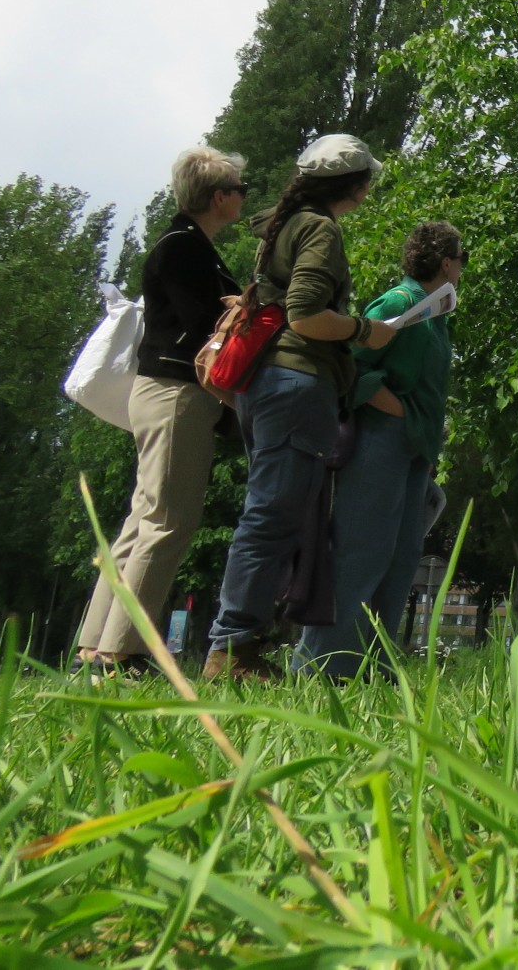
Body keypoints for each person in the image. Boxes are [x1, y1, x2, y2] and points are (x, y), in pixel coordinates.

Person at [205, 135, 393, 681]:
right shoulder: (320, 228)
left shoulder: (285, 224)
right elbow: (307, 315)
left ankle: (238, 644)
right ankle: (230, 648)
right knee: (270, 517)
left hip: (265, 383)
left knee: (270, 516)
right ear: (356, 187)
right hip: (296, 381)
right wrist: (366, 330)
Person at [74, 146, 247, 676]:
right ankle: (123, 650)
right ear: (218, 197)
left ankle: (96, 645)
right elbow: (205, 325)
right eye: (239, 189)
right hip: (177, 394)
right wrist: (246, 307)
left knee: (142, 520)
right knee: (168, 522)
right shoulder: (184, 250)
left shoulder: (184, 245)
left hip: (157, 392)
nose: (243, 197)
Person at [293, 221, 463, 680]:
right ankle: (323, 669)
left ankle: (377, 669)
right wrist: (400, 412)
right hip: (378, 443)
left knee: (401, 557)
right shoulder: (399, 302)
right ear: (446, 262)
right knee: (360, 552)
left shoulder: (434, 313)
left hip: (414, 450)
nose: (462, 270)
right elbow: (350, 369)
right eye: (460, 260)